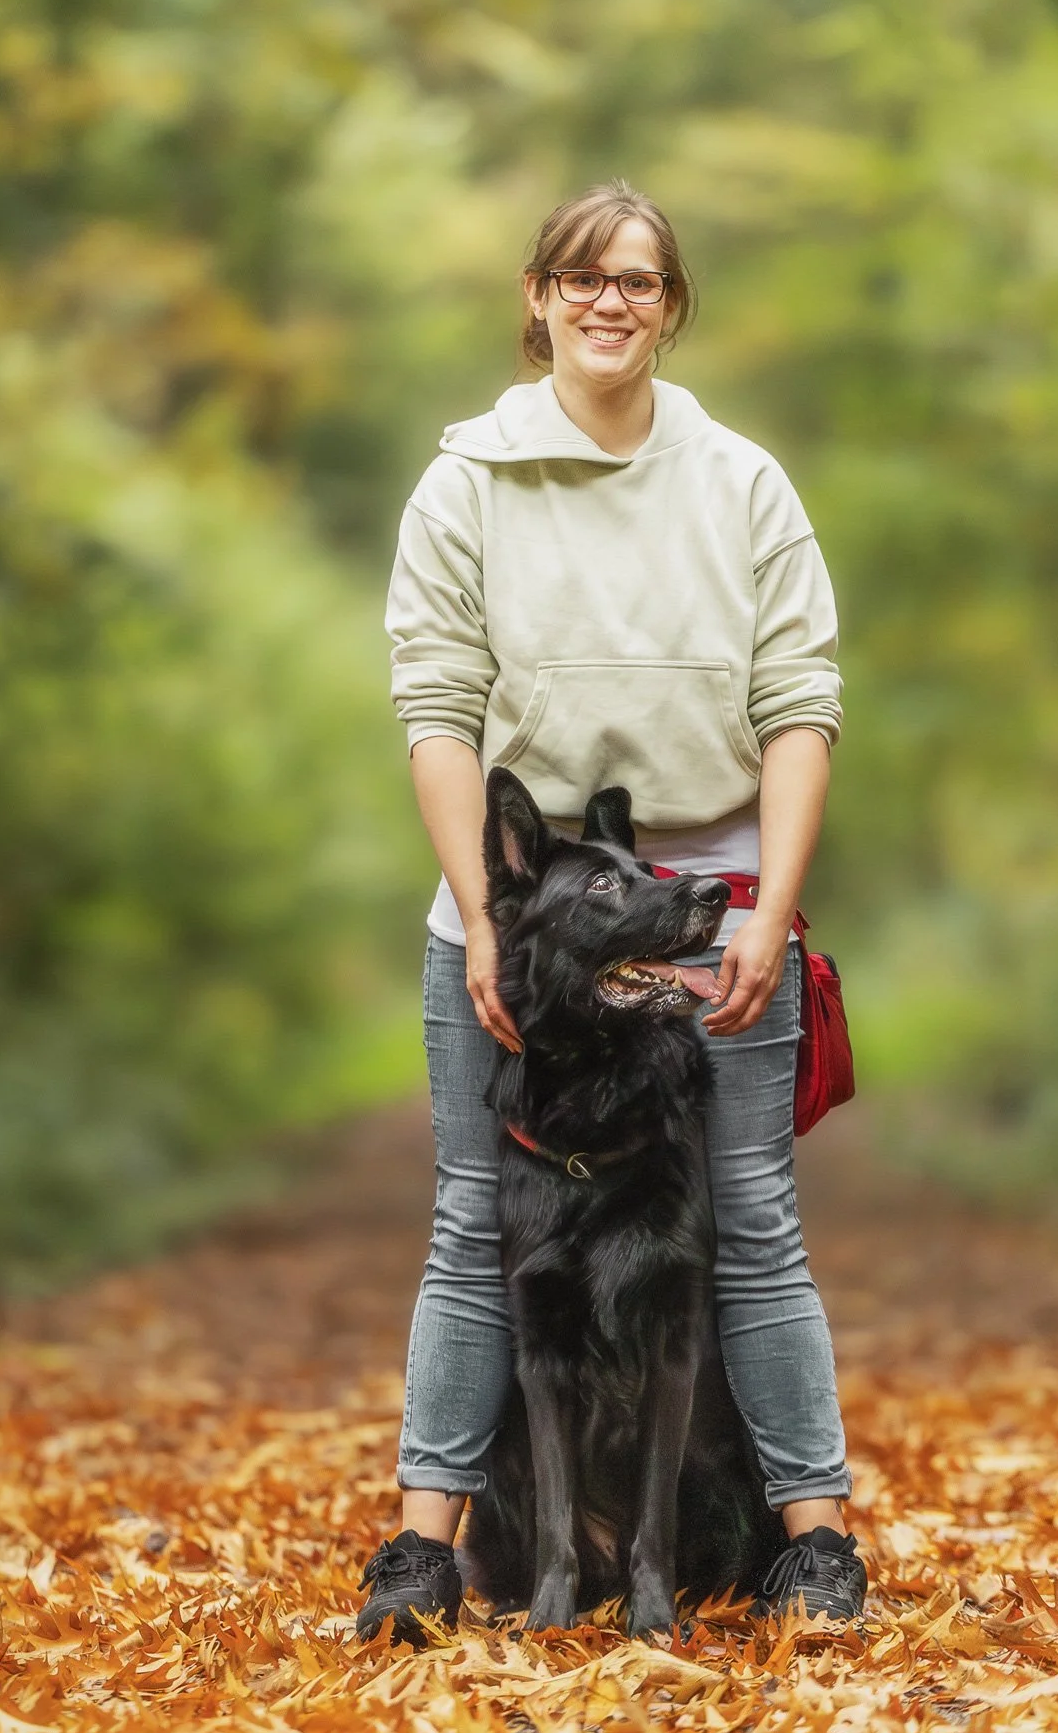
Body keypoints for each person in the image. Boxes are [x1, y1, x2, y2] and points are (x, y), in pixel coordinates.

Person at [357, 179, 865, 1642]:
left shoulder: (742, 483)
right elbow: (438, 710)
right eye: (582, 276)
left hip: (701, 904)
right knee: (472, 1222)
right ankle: (421, 1549)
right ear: (535, 297)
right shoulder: (465, 481)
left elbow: (800, 707)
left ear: (671, 304)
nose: (608, 302)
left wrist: (767, 906)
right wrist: (484, 919)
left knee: (755, 1224)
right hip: (515, 897)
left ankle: (815, 1542)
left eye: (639, 280)